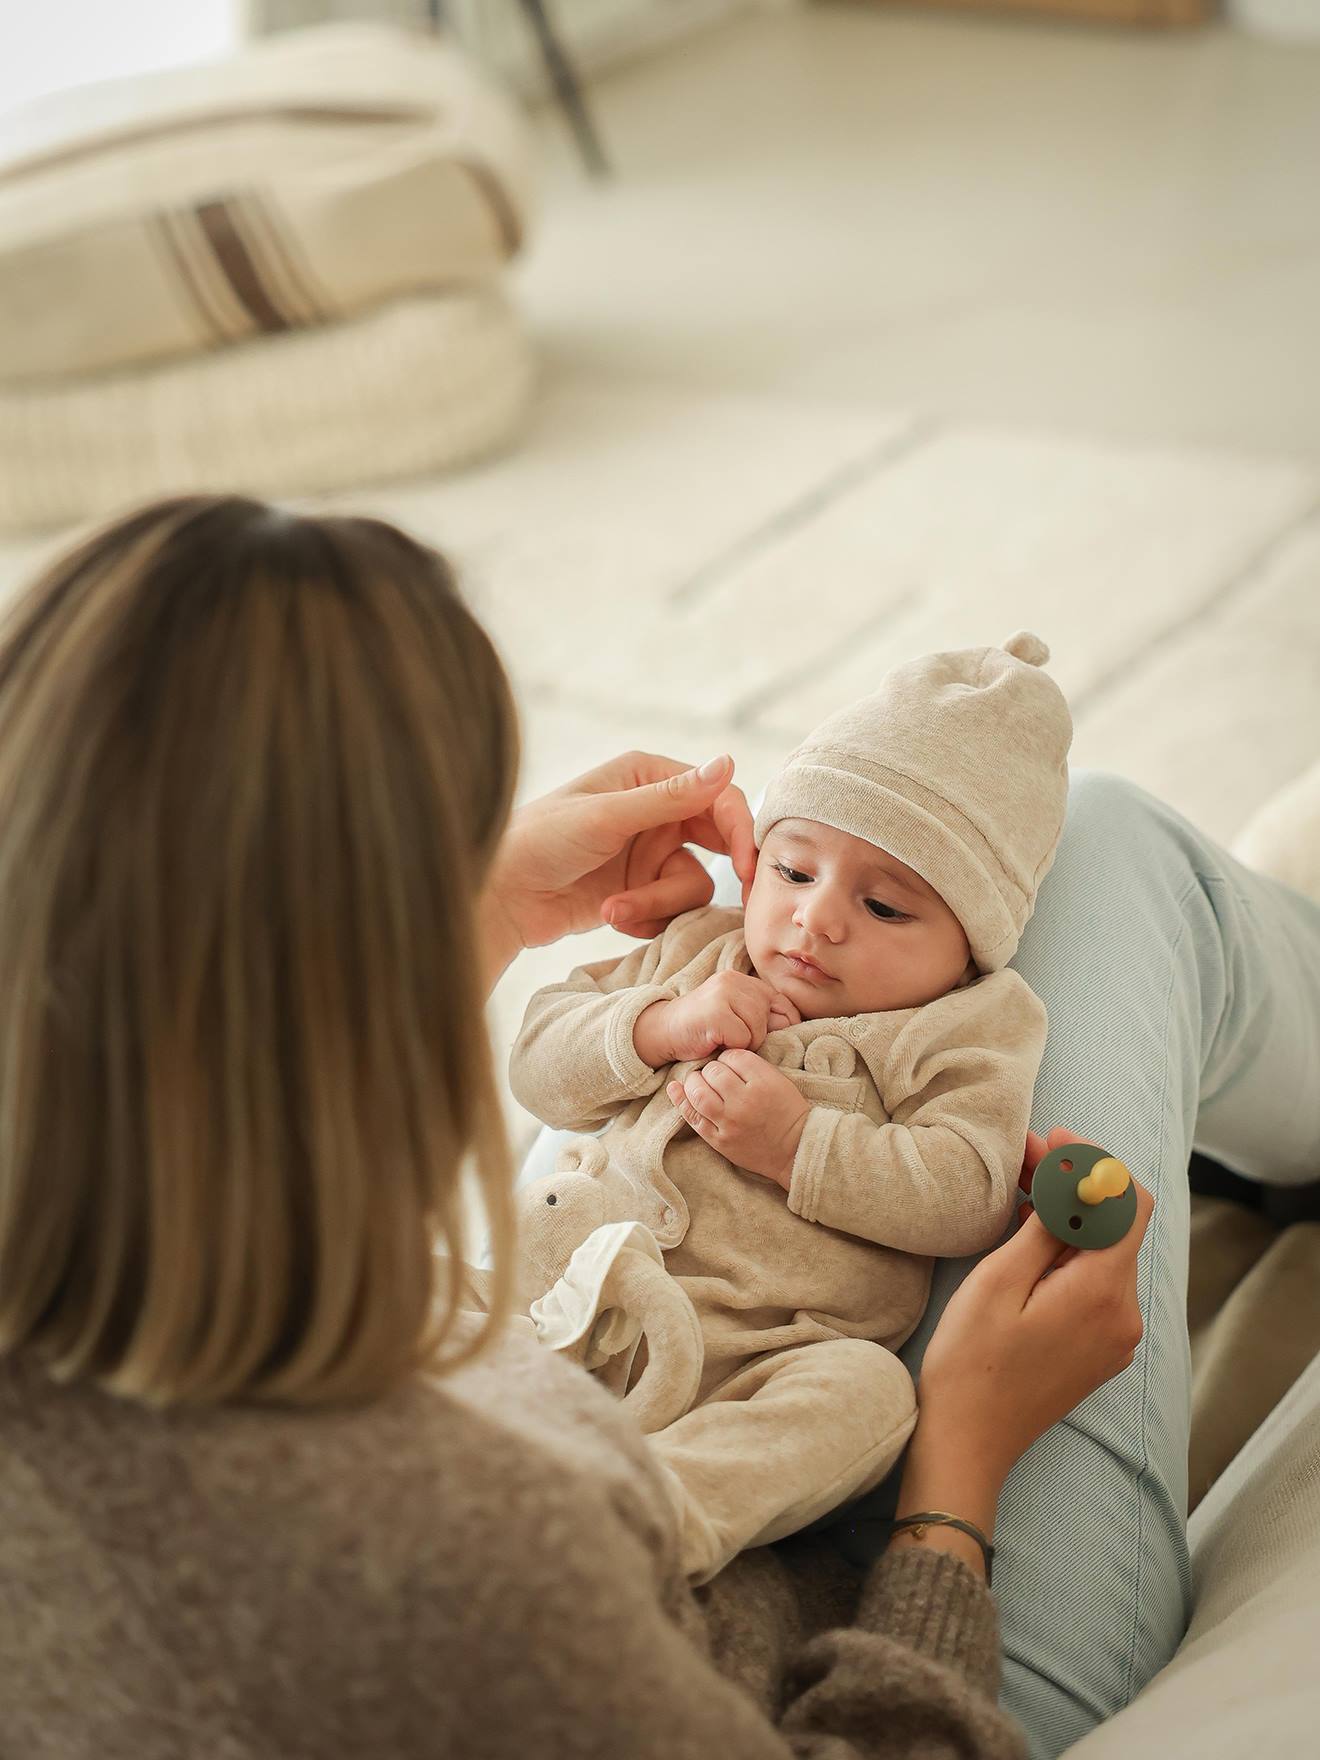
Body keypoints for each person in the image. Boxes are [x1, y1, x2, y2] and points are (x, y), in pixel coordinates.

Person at [0, 493, 1305, 1760]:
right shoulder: (495, 1551)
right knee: (1118, 839)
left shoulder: (123, 1296)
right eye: (443, 864)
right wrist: (958, 1472)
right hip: (850, 1631)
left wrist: (494, 912)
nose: (802, 919)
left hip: (602, 1346)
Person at [506, 633, 1075, 1585]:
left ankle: (647, 1518)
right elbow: (536, 1061)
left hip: (764, 1356)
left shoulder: (965, 1026)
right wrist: (654, 1026)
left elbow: (972, 1192)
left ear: (972, 951)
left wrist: (800, 1143)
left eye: (887, 908)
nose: (816, 920)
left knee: (870, 1398)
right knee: (440, 1271)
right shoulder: (699, 947)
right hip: (567, 1283)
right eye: (793, 872)